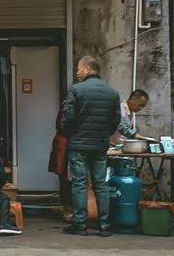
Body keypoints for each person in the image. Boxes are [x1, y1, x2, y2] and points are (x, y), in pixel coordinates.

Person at [62, 56, 121, 237]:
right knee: (100, 184)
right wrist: (103, 134)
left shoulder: (76, 90)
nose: (77, 72)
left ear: (88, 69)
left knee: (79, 184)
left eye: (79, 69)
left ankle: (80, 225)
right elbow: (115, 121)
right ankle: (104, 225)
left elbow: (68, 117)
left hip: (78, 145)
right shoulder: (112, 92)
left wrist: (71, 134)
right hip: (100, 145)